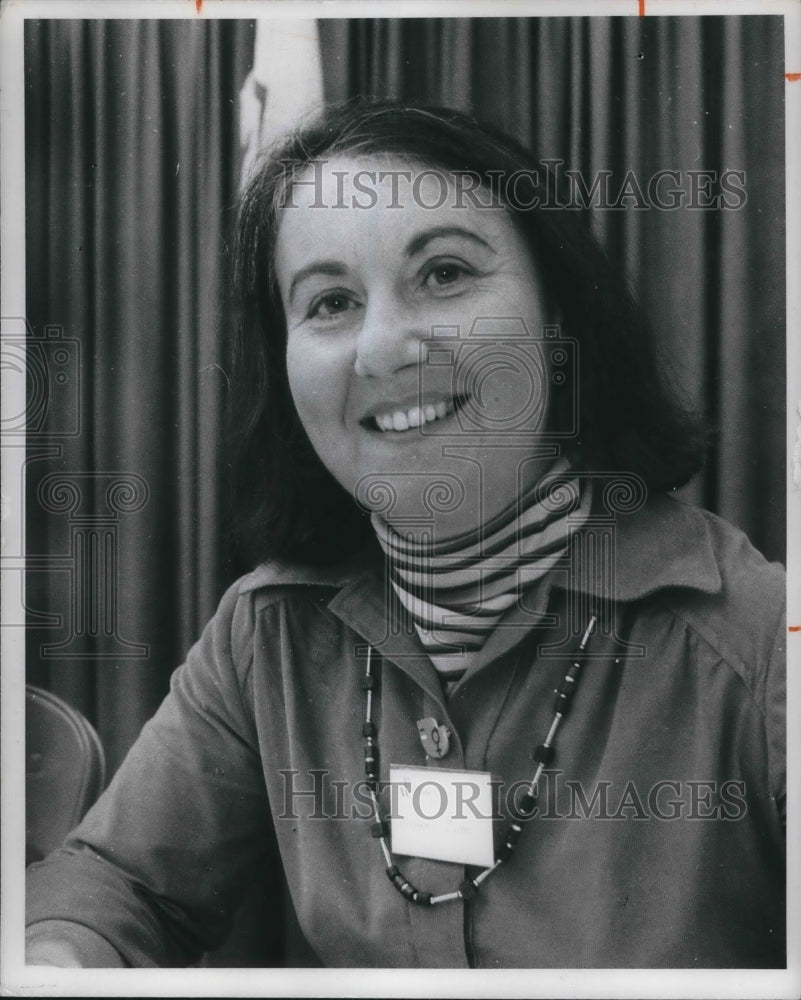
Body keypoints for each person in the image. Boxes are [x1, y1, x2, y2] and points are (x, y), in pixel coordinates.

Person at [25, 100, 785, 969]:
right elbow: (119, 882)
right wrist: (63, 958)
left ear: (559, 314)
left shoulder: (761, 644)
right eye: (331, 301)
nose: (382, 347)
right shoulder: (263, 632)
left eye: (446, 274)